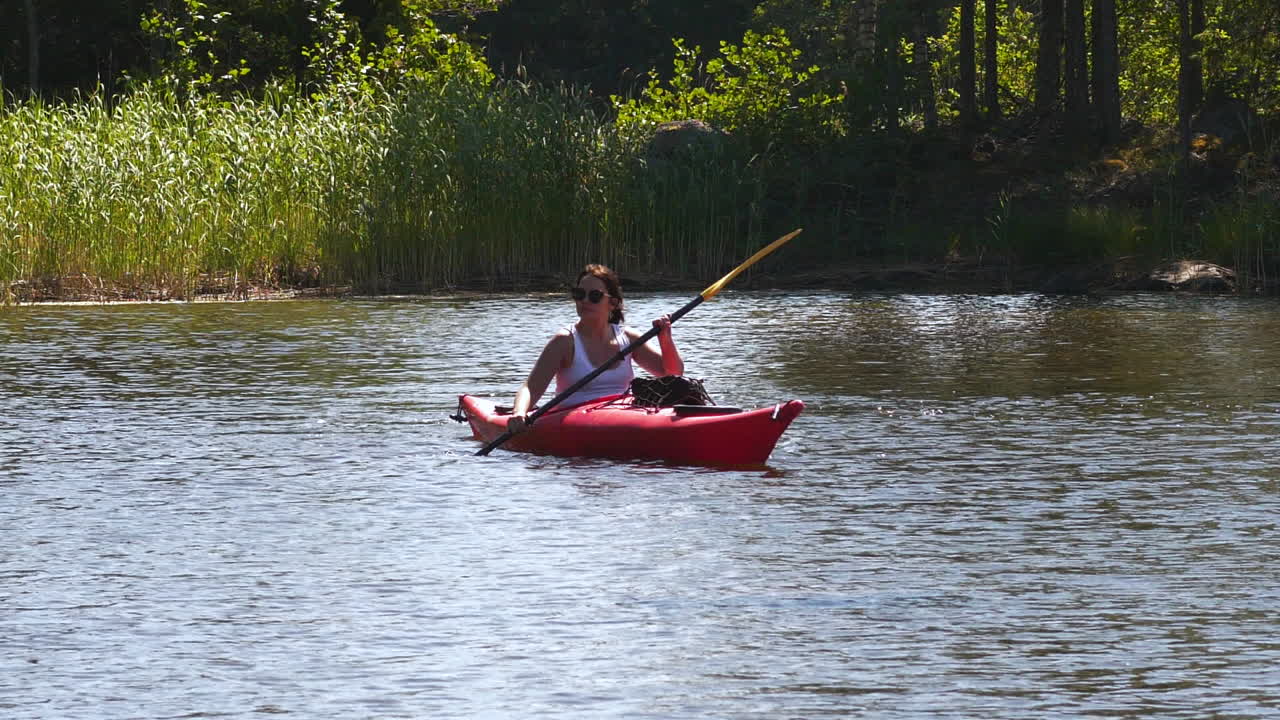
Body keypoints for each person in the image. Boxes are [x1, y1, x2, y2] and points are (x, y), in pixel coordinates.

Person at [507, 264, 684, 433]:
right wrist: (519, 413)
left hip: (624, 414)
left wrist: (665, 340)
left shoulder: (628, 338)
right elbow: (531, 387)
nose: (584, 300)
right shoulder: (564, 342)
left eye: (594, 296)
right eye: (579, 294)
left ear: (613, 303)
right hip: (575, 419)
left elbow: (672, 373)